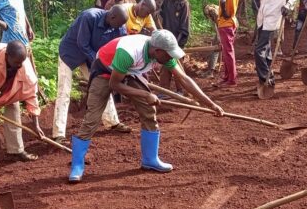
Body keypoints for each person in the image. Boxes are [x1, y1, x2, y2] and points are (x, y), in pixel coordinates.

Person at [68, 31, 224, 183]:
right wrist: (145, 95)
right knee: (92, 119)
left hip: (130, 71)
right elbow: (114, 84)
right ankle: (77, 165)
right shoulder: (129, 52)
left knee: (149, 111)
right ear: (157, 51)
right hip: (105, 71)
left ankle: (150, 159)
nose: (171, 57)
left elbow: (183, 79)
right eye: (169, 54)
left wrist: (210, 103)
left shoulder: (162, 54)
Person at [53, 6, 131, 143]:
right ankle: (58, 133)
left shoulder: (119, 27)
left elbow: (122, 46)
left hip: (92, 57)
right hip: (70, 53)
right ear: (112, 17)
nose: (119, 28)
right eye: (118, 24)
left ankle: (112, 121)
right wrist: (100, 61)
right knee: (64, 91)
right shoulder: (89, 17)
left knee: (103, 85)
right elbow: (82, 44)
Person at [254, 0, 301, 87]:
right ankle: (271, 78)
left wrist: (288, 5)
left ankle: (264, 79)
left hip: (273, 20)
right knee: (267, 51)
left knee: (258, 51)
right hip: (261, 20)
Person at [214, 0, 248, 88]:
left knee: (228, 51)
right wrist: (235, 5)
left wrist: (226, 11)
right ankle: (227, 76)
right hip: (232, 22)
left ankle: (232, 80)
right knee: (227, 50)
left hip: (226, 23)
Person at [159, 0, 191, 92]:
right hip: (167, 38)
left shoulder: (183, 4)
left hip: (178, 40)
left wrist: (175, 44)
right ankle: (164, 90)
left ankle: (180, 90)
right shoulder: (167, 1)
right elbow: (162, 14)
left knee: (178, 64)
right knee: (165, 64)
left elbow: (184, 25)